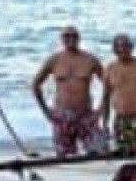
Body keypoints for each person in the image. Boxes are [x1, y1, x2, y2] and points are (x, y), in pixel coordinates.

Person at [31, 25, 106, 158]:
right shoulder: (54, 60)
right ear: (62, 39)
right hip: (62, 114)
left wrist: (100, 110)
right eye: (67, 36)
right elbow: (36, 84)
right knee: (64, 156)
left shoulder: (90, 59)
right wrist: (46, 111)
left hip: (86, 114)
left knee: (98, 151)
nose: (70, 39)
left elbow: (108, 85)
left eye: (74, 36)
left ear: (79, 38)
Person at [102, 34, 136, 157]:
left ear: (131, 47)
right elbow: (106, 97)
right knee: (124, 155)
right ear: (114, 50)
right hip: (122, 120)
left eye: (126, 46)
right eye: (119, 47)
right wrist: (105, 122)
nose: (122, 49)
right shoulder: (110, 68)